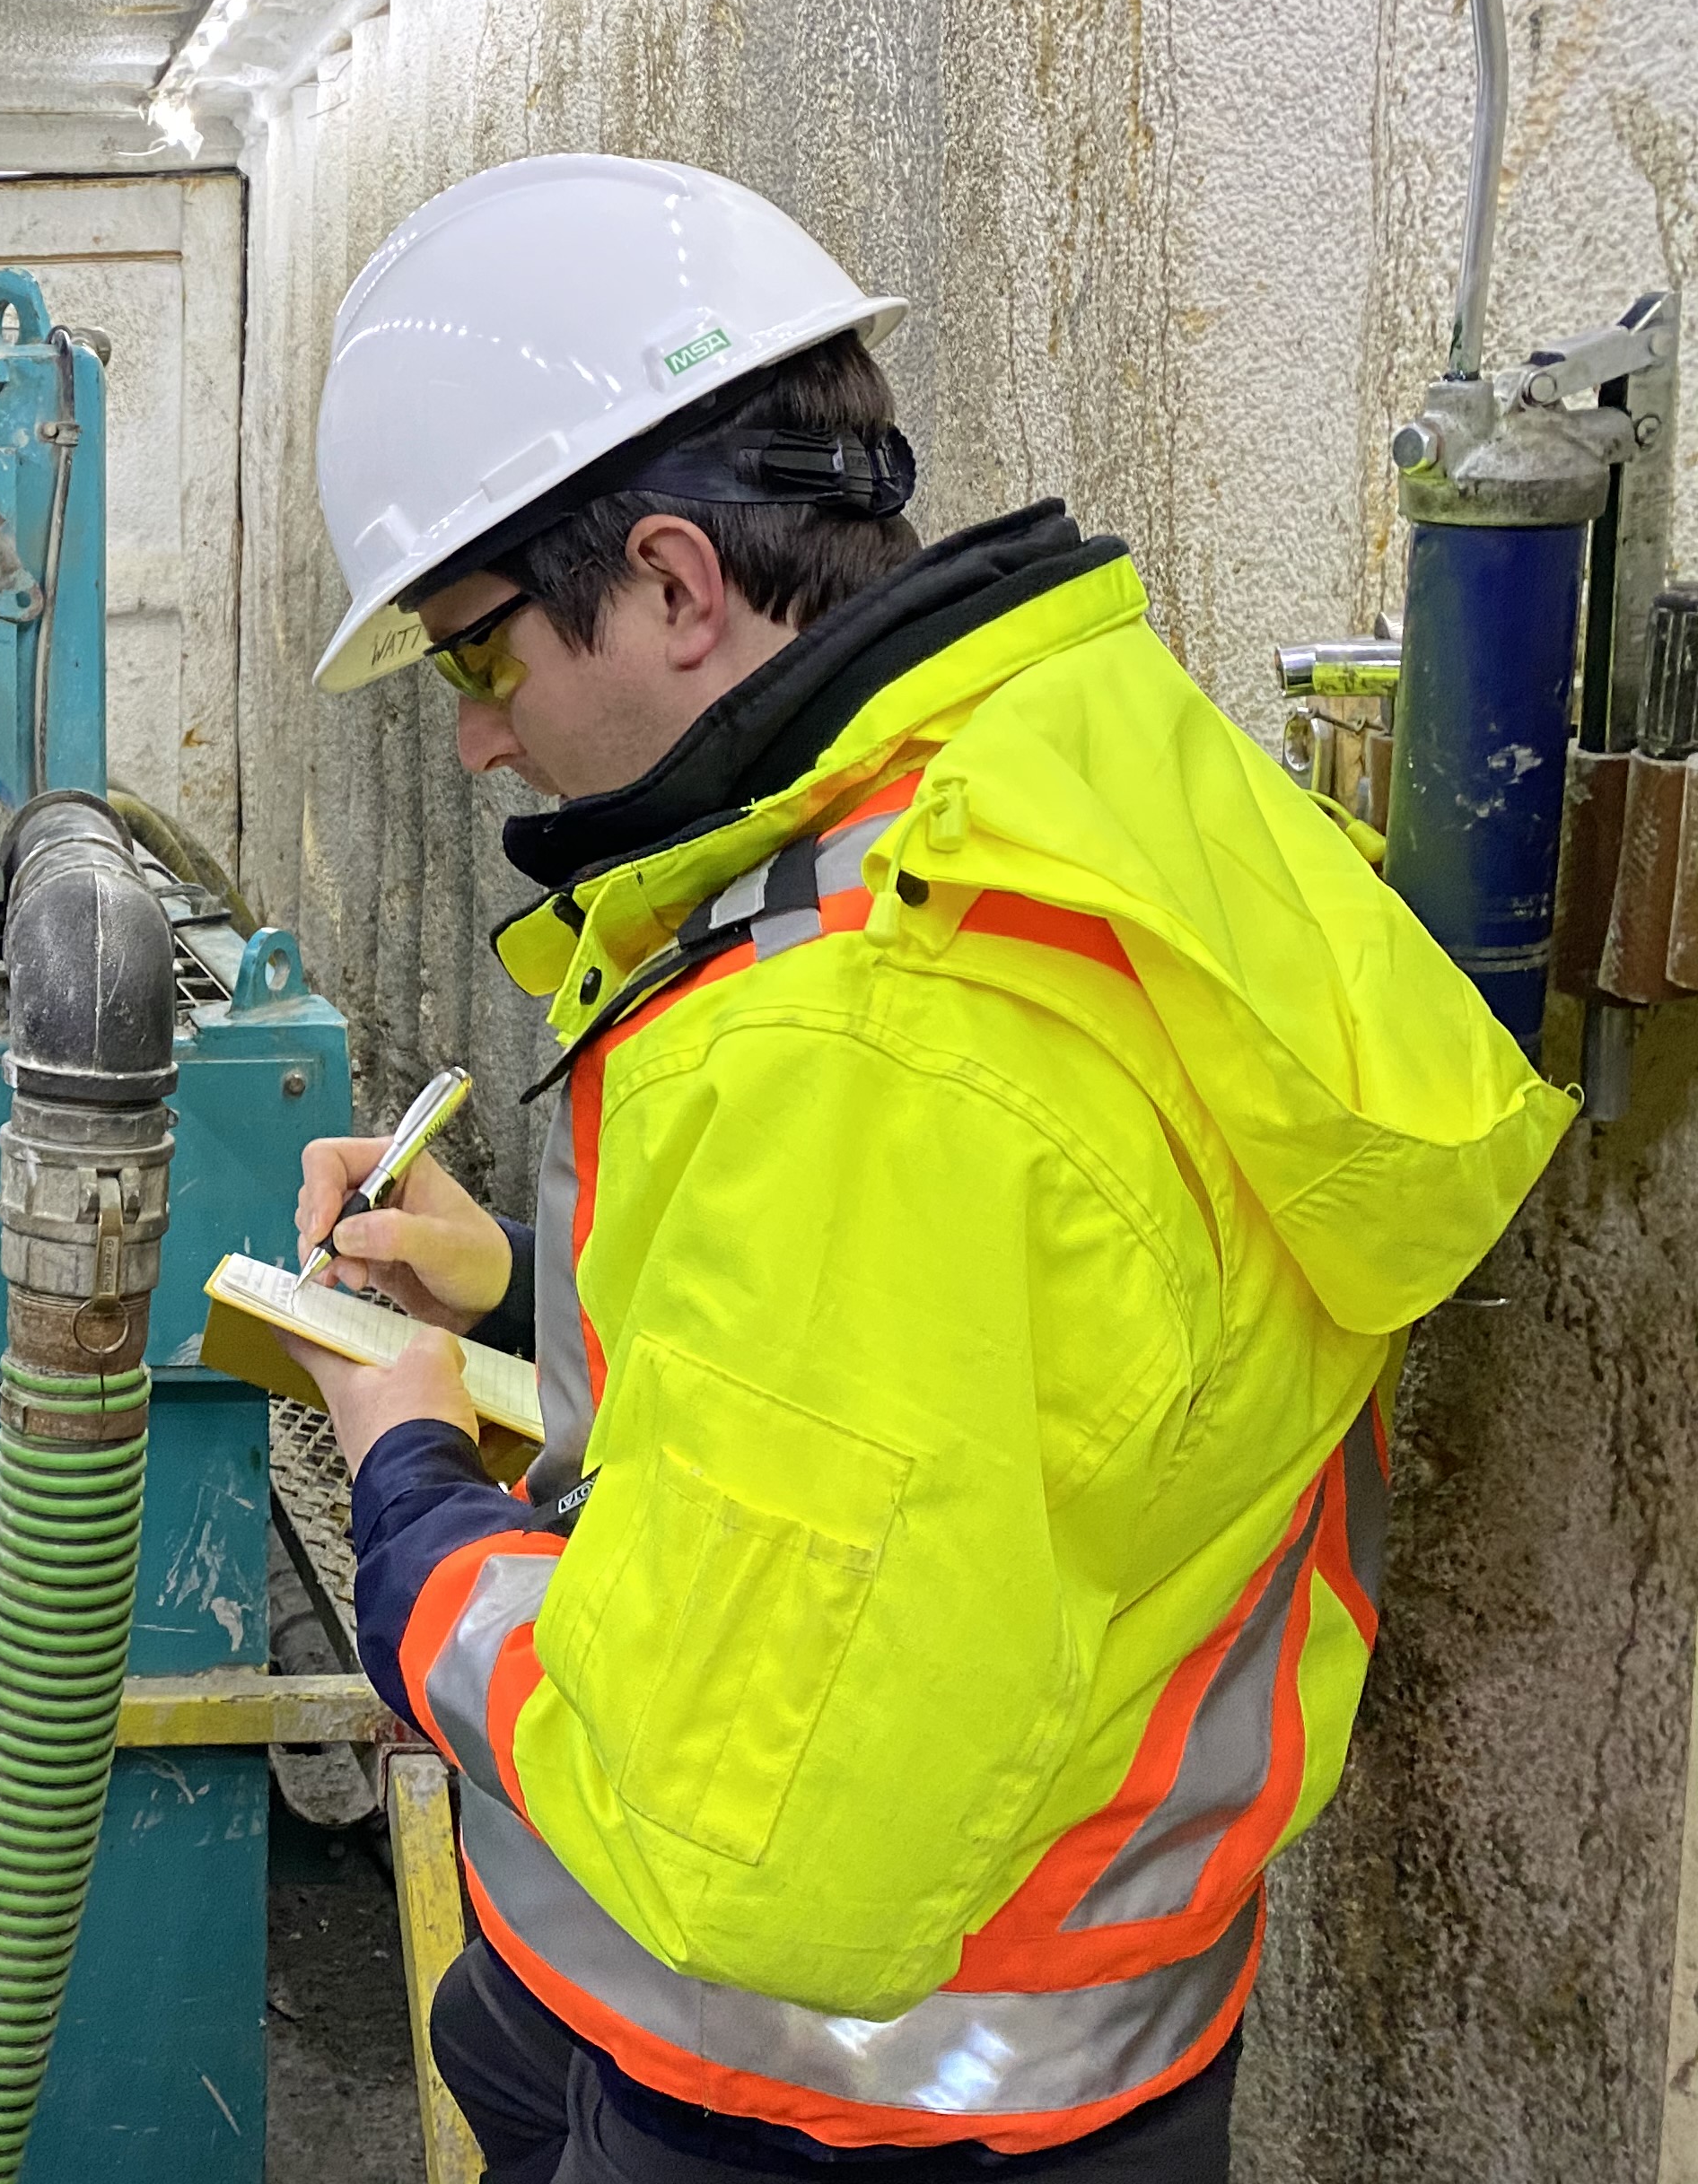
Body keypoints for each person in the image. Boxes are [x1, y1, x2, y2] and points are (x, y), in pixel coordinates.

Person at [277, 153, 1570, 2180]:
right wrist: (521, 1303)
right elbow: (1003, 1384)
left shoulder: (873, 1044)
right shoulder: (1067, 777)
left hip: (842, 2089)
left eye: (473, 658)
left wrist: (408, 1472)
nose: (477, 742)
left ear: (683, 585)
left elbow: (746, 1828)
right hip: (1086, 1997)